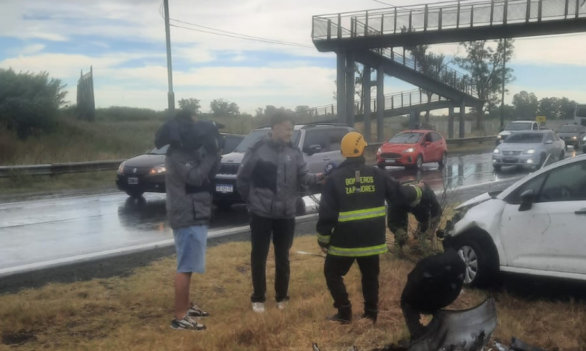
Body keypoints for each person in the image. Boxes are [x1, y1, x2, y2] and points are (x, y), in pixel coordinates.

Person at [237, 111, 323, 313]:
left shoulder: (294, 152)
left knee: (283, 256)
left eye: (292, 129)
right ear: (275, 127)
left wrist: (319, 177)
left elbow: (304, 176)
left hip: (286, 214)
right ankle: (258, 298)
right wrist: (250, 201)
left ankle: (281, 298)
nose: (290, 133)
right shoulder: (257, 149)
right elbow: (242, 178)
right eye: (287, 129)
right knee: (259, 256)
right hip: (261, 213)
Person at [316, 131, 405, 324]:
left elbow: (327, 213)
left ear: (343, 152)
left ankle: (344, 312)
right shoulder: (378, 174)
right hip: (372, 240)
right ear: (362, 149)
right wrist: (418, 191)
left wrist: (323, 238)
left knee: (332, 273)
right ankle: (371, 314)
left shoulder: (335, 178)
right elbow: (399, 195)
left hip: (344, 241)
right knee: (370, 276)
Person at [162, 109, 222, 331]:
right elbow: (196, 177)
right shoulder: (177, 153)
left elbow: (208, 173)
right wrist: (211, 156)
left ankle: (186, 306)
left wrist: (215, 153)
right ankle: (180, 317)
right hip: (186, 214)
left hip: (197, 212)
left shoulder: (191, 150)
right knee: (185, 266)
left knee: (190, 264)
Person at [400, 248, 466, 338]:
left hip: (432, 296)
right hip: (421, 296)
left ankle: (428, 332)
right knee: (417, 331)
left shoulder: (456, 270)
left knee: (407, 303)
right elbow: (413, 281)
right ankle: (422, 334)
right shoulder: (432, 267)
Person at [387, 181, 442, 249]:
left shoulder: (427, 194)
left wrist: (431, 228)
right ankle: (400, 247)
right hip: (401, 203)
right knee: (400, 225)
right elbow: (394, 224)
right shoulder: (395, 198)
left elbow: (437, 211)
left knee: (426, 219)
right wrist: (407, 240)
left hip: (419, 202)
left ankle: (419, 241)